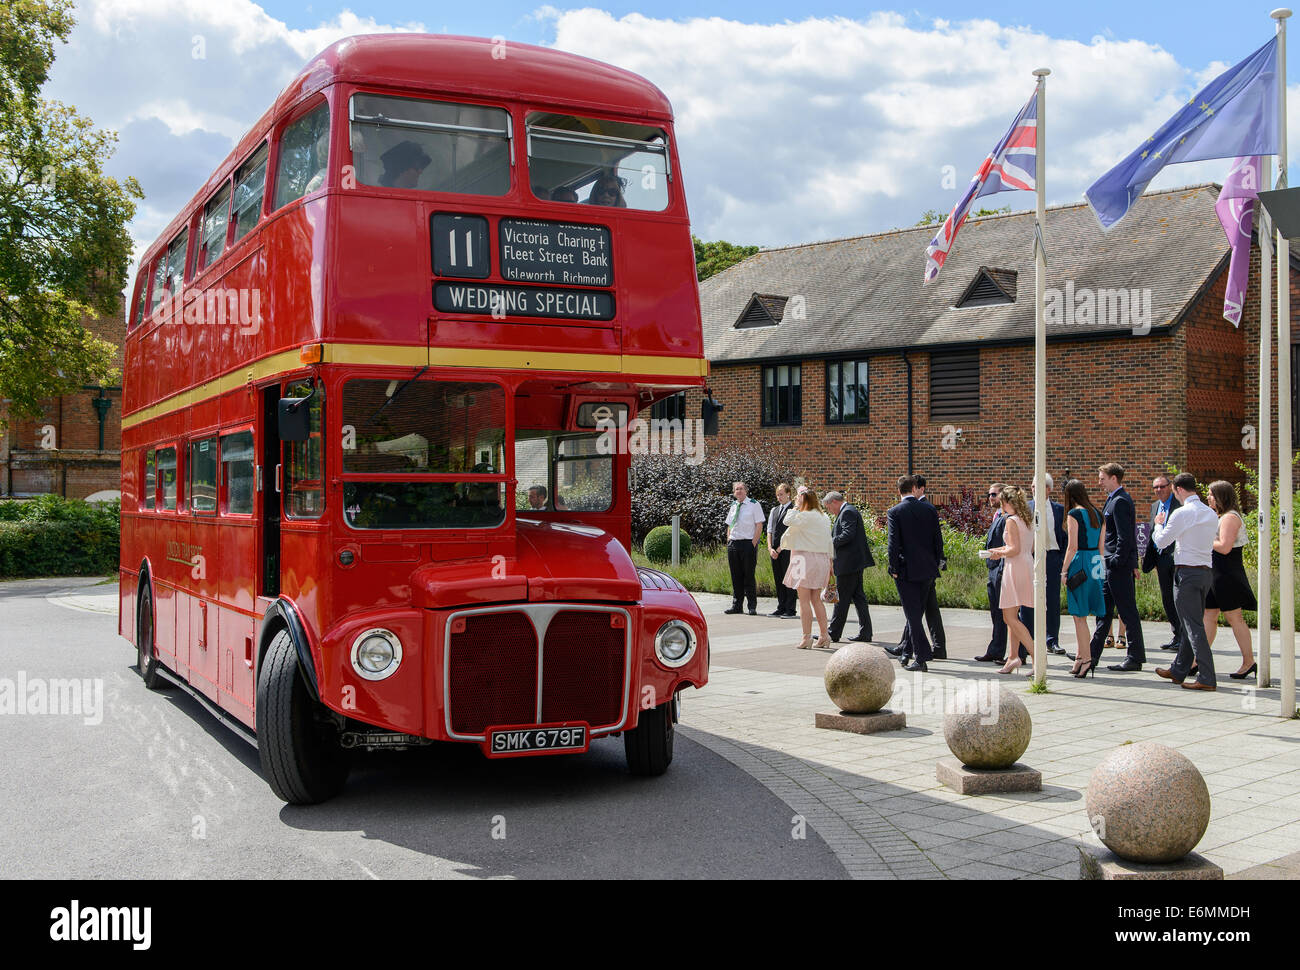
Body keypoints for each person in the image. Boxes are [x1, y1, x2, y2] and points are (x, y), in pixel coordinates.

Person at [1152, 473, 1220, 691]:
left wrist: (1157, 526)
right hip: (1205, 573)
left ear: (1178, 490)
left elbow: (1162, 542)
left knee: (1193, 626)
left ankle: (1207, 677)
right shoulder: (1210, 513)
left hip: (1187, 573)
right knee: (1190, 622)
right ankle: (1179, 669)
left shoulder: (1182, 513)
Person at [1090, 462, 1147, 672]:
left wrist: (1116, 561)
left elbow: (1125, 536)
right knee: (1103, 611)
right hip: (1111, 565)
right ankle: (1091, 655)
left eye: (1102, 478)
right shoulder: (1113, 500)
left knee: (1127, 611)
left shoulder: (1121, 501)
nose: (1099, 482)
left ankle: (1135, 657)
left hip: (1117, 566)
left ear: (1114, 478)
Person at [886, 475, 944, 672]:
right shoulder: (929, 509)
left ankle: (921, 657)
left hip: (906, 571)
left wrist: (893, 568)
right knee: (916, 613)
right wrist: (936, 563)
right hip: (928, 569)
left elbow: (893, 544)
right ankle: (907, 651)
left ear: (899, 491)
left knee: (912, 615)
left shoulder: (895, 512)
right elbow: (938, 540)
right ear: (913, 488)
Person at [1203, 480, 1259, 679]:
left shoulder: (1230, 517)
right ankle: (1197, 661)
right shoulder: (1220, 516)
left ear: (1221, 497)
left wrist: (1204, 538)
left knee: (1234, 617)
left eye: (1210, 494)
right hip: (1216, 572)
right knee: (1209, 615)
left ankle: (1248, 661)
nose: (1207, 497)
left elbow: (1225, 547)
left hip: (1227, 573)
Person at [987, 485, 1037, 675]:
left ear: (1007, 502)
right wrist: (1002, 551)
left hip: (1014, 566)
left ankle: (1036, 657)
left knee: (1009, 617)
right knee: (1014, 616)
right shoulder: (1027, 519)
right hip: (1026, 564)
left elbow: (1013, 549)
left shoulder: (1011, 521)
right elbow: (1028, 547)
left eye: (1002, 503)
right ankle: (1013, 657)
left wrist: (996, 552)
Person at [1060, 479, 1106, 677]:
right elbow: (1102, 547)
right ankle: (1080, 657)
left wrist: (1063, 571)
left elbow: (1072, 547)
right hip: (1096, 562)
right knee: (1087, 613)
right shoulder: (1098, 513)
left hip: (1080, 563)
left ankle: (1087, 660)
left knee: (1079, 616)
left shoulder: (1074, 514)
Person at [779, 489, 834, 648]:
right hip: (821, 559)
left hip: (802, 558)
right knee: (816, 599)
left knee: (803, 600)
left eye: (798, 498)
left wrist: (796, 506)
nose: (796, 499)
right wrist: (830, 563)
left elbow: (787, 520)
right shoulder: (824, 517)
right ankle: (824, 636)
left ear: (803, 499)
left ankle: (806, 637)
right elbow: (829, 541)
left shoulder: (803, 515)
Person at [1020, 474, 1067, 655]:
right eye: (1031, 486)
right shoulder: (1026, 509)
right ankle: (1028, 640)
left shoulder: (1059, 510)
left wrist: (1062, 559)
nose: (1033, 489)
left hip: (1053, 557)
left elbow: (1065, 536)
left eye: (1037, 486)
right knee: (1028, 600)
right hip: (1032, 558)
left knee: (1053, 600)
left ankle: (1052, 640)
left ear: (1048, 489)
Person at [905, 475, 946, 659]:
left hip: (923, 567)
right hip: (928, 566)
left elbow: (935, 538)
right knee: (928, 608)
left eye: (915, 488)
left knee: (916, 609)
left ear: (920, 489)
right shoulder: (925, 507)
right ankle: (937, 647)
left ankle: (908, 646)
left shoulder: (925, 507)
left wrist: (938, 560)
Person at [824, 491, 874, 643]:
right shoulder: (848, 511)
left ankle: (833, 632)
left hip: (849, 564)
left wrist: (829, 541)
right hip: (853, 563)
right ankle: (865, 632)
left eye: (828, 507)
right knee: (859, 598)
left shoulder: (847, 512)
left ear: (834, 502)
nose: (829, 511)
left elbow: (848, 534)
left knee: (842, 599)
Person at [1143, 473, 1183, 653]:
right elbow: (1152, 533)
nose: (1159, 490)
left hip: (1175, 558)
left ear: (1170, 487)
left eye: (1162, 486)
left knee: (1178, 598)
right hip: (1160, 559)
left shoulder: (1179, 505)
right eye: (1156, 487)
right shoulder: (1154, 507)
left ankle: (1184, 637)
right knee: (1167, 598)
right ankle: (1176, 635)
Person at [974, 483, 1009, 663]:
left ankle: (1013, 652)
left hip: (1001, 570)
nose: (990, 498)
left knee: (1006, 615)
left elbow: (1009, 545)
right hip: (993, 569)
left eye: (994, 494)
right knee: (996, 613)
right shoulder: (997, 516)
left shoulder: (1007, 518)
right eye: (989, 494)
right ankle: (995, 649)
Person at [723, 481, 765, 615]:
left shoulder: (754, 504)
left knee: (748, 575)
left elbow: (759, 524)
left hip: (748, 543)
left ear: (746, 491)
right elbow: (729, 524)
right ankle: (737, 605)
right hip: (734, 544)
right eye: (736, 489)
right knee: (736, 576)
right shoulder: (734, 505)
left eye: (741, 489)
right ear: (734, 492)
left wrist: (753, 542)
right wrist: (729, 539)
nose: (739, 491)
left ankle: (752, 606)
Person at [765, 483, 797, 618]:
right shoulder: (774, 510)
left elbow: (792, 532)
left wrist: (779, 549)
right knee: (778, 578)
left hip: (787, 549)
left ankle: (790, 609)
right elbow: (769, 530)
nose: (779, 497)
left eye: (782, 494)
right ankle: (781, 606)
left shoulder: (794, 510)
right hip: (774, 550)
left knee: (788, 579)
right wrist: (770, 548)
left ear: (788, 494)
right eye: (777, 495)